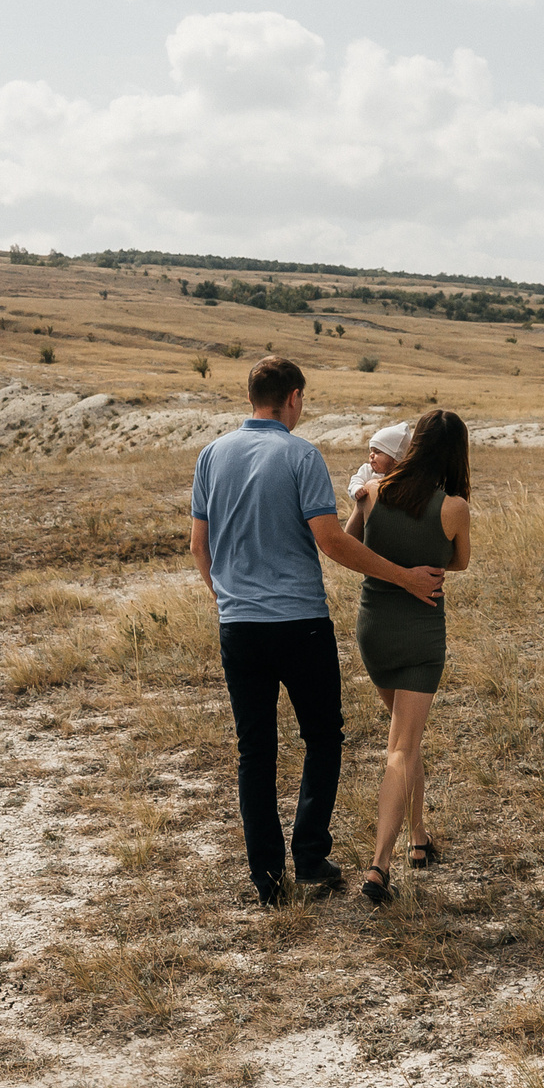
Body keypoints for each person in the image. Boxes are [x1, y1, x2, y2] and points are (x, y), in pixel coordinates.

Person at [190, 358, 445, 907]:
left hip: (239, 627)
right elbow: (331, 541)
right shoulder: (301, 455)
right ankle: (309, 856)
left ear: (252, 395)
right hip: (300, 623)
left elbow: (198, 546)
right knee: (323, 737)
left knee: (254, 750)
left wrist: (229, 598)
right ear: (295, 398)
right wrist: (404, 577)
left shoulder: (212, 455)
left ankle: (265, 878)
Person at [344, 408, 472, 907]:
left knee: (405, 736)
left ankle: (419, 838)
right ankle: (379, 864)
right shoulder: (454, 507)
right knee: (401, 747)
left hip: (374, 629)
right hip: (420, 636)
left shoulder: (373, 493)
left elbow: (349, 542)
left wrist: (361, 502)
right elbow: (458, 562)